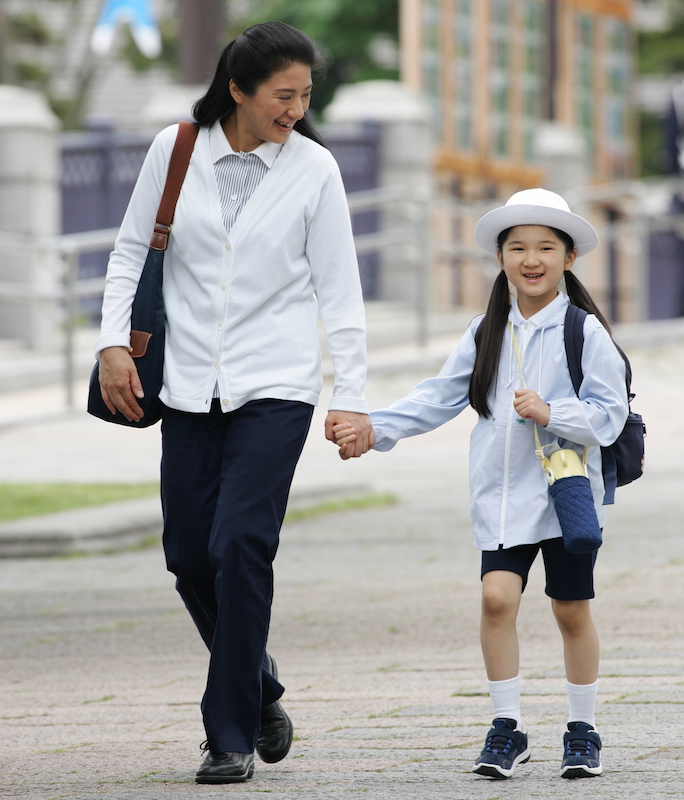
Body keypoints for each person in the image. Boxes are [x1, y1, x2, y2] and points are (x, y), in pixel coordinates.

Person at [95, 21, 373, 784]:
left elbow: (340, 293)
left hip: (275, 385)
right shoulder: (176, 148)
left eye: (305, 95)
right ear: (239, 90)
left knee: (240, 544)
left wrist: (351, 398)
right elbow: (128, 250)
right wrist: (112, 341)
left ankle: (228, 736)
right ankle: (258, 684)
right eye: (284, 95)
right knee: (188, 556)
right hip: (186, 383)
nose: (296, 107)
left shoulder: (314, 170)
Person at [334, 189, 629, 780]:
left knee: (571, 610)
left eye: (546, 246)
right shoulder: (484, 331)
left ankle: (582, 729)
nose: (531, 258)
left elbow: (610, 415)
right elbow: (438, 398)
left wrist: (552, 412)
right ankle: (507, 727)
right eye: (517, 246)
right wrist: (374, 427)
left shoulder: (584, 332)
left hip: (564, 497)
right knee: (498, 599)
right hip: (499, 501)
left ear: (569, 257)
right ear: (500, 258)